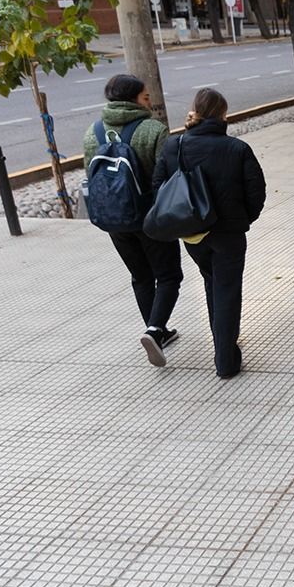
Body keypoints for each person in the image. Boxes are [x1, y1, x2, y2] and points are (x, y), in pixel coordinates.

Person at [152, 89, 266, 380]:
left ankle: (222, 341)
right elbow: (256, 192)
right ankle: (225, 359)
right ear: (222, 114)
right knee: (227, 289)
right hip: (228, 234)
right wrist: (243, 220)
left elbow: (159, 187)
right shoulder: (237, 149)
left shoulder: (173, 146)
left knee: (211, 281)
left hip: (192, 233)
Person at [82, 74, 181, 368]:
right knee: (168, 275)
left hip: (113, 218)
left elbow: (91, 174)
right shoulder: (152, 129)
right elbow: (169, 175)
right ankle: (154, 330)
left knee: (140, 276)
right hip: (151, 217)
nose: (149, 101)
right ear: (135, 99)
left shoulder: (93, 132)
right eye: (146, 97)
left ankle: (158, 330)